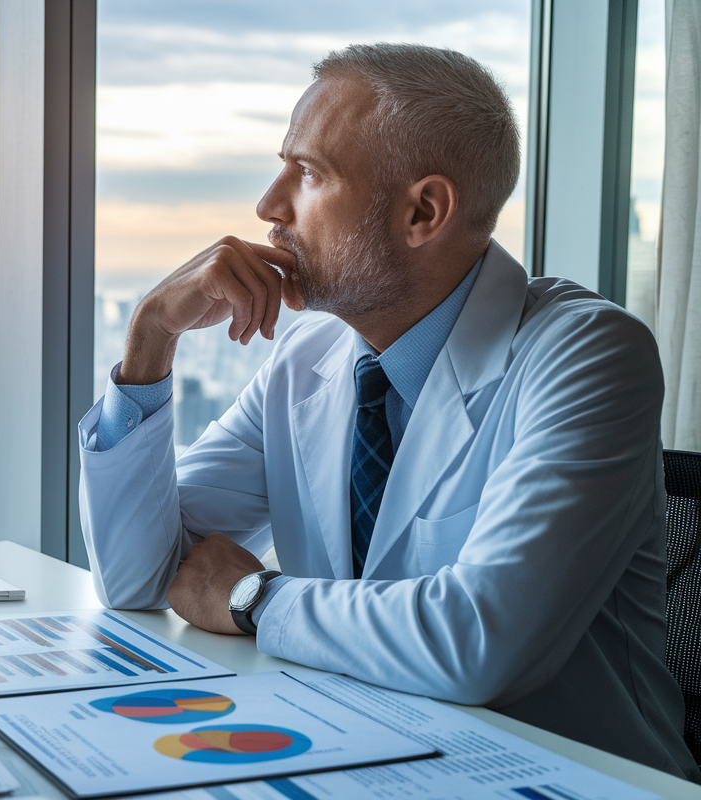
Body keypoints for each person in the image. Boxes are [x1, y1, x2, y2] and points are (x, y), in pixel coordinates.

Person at [77, 43, 699, 779]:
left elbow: (476, 645)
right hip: (361, 755)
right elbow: (140, 578)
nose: (269, 208)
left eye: (308, 173)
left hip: (568, 778)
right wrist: (151, 340)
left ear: (422, 211)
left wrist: (253, 597)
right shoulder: (307, 358)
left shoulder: (588, 353)